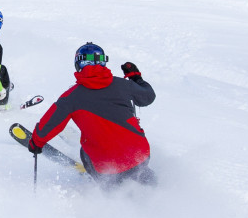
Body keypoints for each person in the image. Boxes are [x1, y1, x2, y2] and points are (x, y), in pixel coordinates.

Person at [27, 42, 156, 185]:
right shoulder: (124, 85)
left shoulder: (71, 97)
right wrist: (135, 77)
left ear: (78, 65)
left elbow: (49, 124)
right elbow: (148, 96)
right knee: (136, 165)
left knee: (85, 151)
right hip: (141, 156)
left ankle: (104, 186)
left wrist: (36, 143)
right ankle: (148, 183)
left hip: (107, 167)